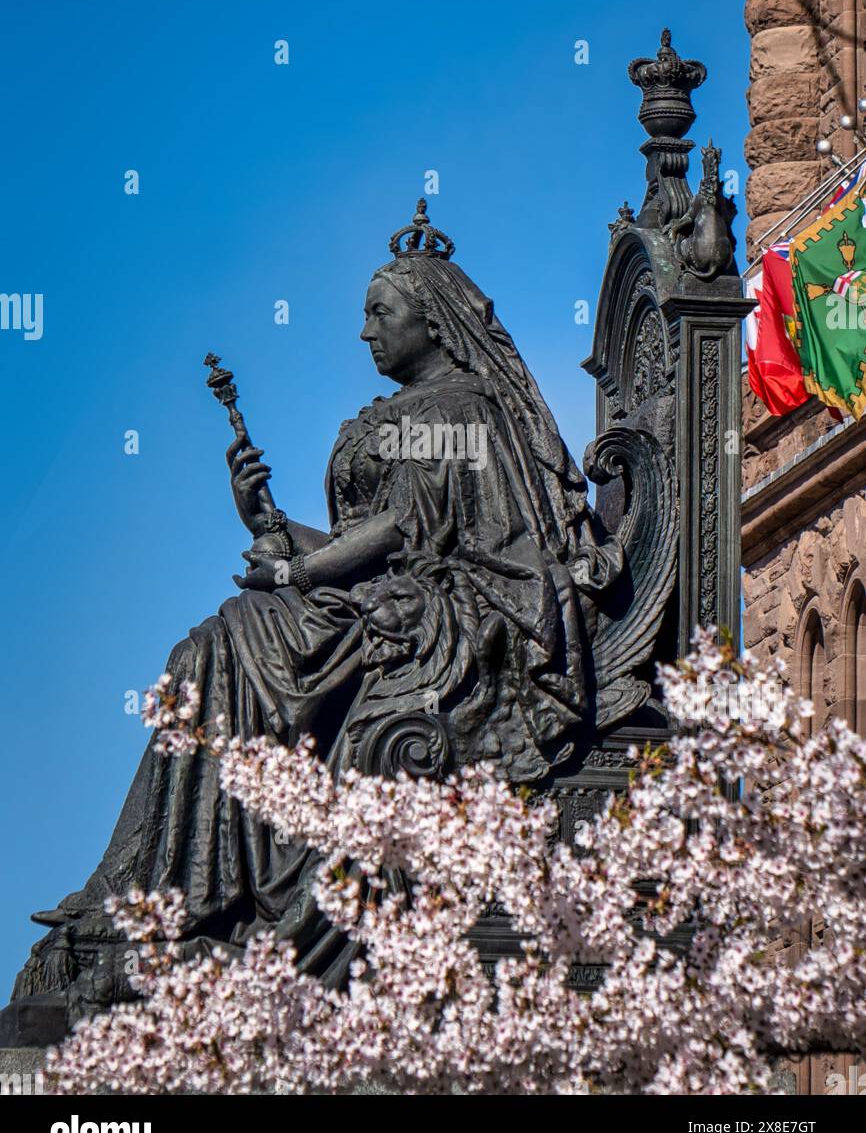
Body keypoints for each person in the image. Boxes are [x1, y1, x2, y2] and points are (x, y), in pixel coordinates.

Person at [13, 201, 621, 1017]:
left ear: (434, 321)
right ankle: (151, 888)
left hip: (456, 611)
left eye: (382, 314)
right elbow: (360, 537)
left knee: (225, 648)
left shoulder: (459, 411)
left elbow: (402, 528)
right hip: (382, 593)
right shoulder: (398, 416)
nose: (365, 332)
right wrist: (265, 520)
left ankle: (192, 900)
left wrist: (297, 567)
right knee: (208, 650)